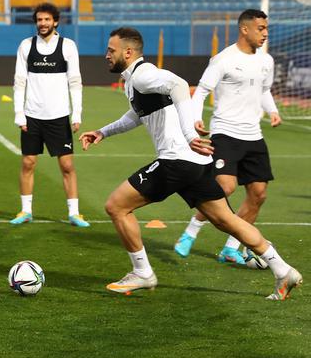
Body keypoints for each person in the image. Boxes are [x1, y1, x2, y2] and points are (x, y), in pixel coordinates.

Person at [79, 27, 301, 299]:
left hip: (177, 160)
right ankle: (283, 270)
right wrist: (103, 131)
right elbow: (136, 116)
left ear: (128, 52)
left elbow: (180, 85)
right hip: (195, 162)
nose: (106, 55)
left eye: (111, 50)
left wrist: (188, 135)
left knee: (116, 206)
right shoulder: (134, 81)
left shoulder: (144, 74)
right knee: (226, 220)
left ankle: (142, 273)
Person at [174, 9, 281, 264]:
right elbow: (200, 92)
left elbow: (265, 90)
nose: (265, 33)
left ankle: (232, 247)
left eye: (266, 28)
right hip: (225, 132)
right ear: (245, 29)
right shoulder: (223, 59)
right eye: (260, 29)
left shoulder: (267, 61)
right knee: (225, 187)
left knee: (258, 194)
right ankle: (190, 233)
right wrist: (195, 119)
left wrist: (273, 111)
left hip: (253, 135)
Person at [11, 2, 88, 227]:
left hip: (59, 117)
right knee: (28, 163)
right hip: (32, 116)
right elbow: (19, 82)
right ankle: (26, 211)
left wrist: (77, 114)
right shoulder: (26, 46)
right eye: (39, 20)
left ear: (55, 22)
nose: (43, 23)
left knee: (67, 166)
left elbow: (75, 82)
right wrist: (19, 114)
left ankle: (74, 213)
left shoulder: (68, 46)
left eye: (47, 19)